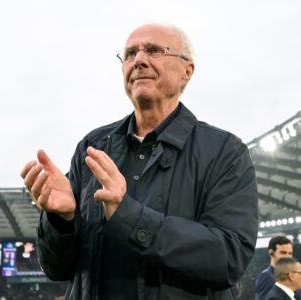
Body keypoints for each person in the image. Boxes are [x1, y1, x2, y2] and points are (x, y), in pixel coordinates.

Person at [21, 22, 258, 299]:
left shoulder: (225, 152)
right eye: (131, 53)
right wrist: (62, 220)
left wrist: (127, 215)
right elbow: (57, 269)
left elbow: (227, 259)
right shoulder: (92, 147)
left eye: (155, 50)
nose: (139, 60)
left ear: (187, 71)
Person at [256, 236, 301, 300]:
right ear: (271, 253)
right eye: (283, 253)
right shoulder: (266, 276)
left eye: (290, 253)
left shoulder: (295, 276)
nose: (287, 257)